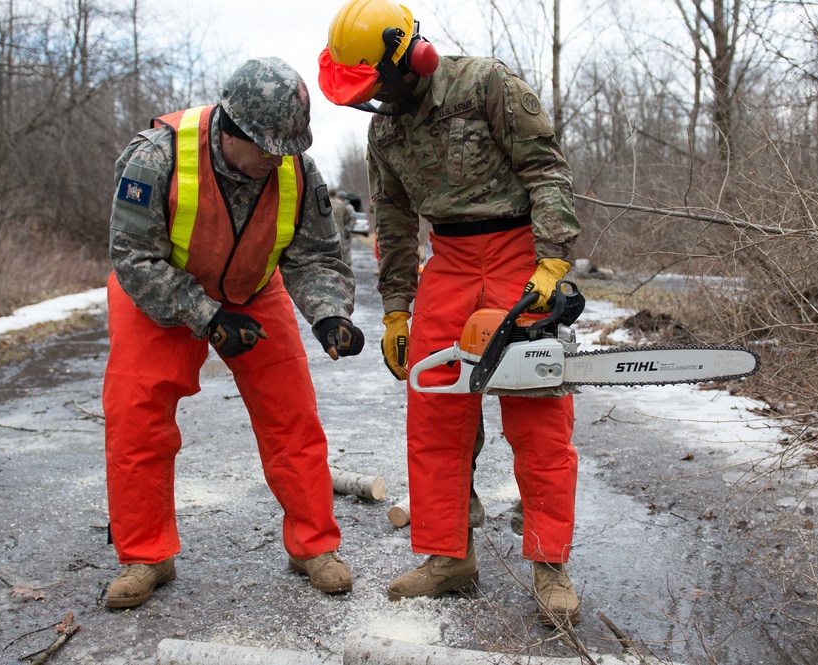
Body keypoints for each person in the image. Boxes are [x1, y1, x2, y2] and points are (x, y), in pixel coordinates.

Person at [318, 0, 582, 626]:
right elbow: (393, 222)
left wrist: (552, 263)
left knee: (538, 416)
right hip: (451, 263)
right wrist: (396, 311)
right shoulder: (385, 131)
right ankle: (449, 554)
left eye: (378, 83)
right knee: (433, 411)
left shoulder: (486, 84)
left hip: (518, 249)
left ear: (412, 59)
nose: (373, 100)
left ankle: (549, 563)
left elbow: (546, 170)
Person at [103, 56, 364, 609]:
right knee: (137, 418)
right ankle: (145, 556)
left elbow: (316, 254)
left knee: (292, 414)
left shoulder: (293, 165)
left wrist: (329, 313)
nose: (277, 161)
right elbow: (132, 255)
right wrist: (208, 318)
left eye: (286, 150)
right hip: (159, 291)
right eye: (267, 149)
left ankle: (313, 546)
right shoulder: (157, 156)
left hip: (252, 288)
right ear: (230, 127)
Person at [330, 188, 356, 266]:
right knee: (344, 250)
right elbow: (351, 218)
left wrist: (349, 228)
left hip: (342, 230)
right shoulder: (343, 205)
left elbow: (352, 218)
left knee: (343, 250)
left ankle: (344, 266)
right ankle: (345, 266)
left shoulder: (344, 206)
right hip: (343, 230)